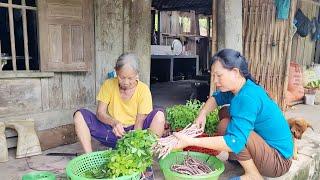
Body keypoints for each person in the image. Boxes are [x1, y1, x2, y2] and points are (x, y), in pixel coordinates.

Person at [173, 49, 293, 180]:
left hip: (278, 161)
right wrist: (203, 114)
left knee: (226, 126)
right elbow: (216, 98)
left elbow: (233, 141)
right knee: (225, 112)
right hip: (268, 150)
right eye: (213, 76)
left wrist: (189, 141)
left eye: (219, 75)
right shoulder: (241, 87)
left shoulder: (247, 97)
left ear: (235, 72)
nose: (215, 81)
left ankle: (253, 175)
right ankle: (239, 158)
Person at [74, 53, 165, 153]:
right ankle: (89, 157)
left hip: (135, 132)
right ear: (116, 71)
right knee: (79, 115)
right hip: (112, 131)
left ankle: (143, 158)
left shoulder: (143, 90)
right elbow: (100, 113)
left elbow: (139, 123)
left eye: (130, 78)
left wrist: (132, 143)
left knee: (159, 116)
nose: (126, 82)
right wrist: (114, 123)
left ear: (137, 74)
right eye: (122, 77)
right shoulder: (108, 84)